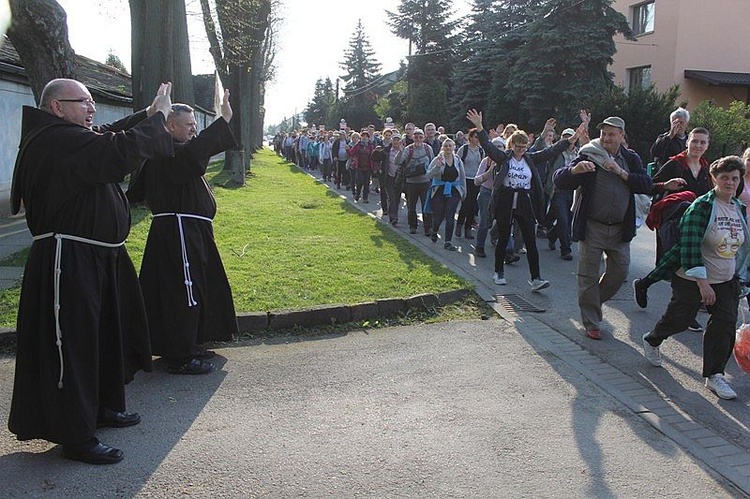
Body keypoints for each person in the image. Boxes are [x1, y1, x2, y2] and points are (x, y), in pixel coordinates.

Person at [8, 78, 174, 464]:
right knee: (77, 346)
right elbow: (116, 150)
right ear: (57, 107)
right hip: (69, 260)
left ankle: (100, 408)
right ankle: (76, 435)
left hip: (97, 258)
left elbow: (109, 133)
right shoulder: (55, 140)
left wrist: (147, 115)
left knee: (103, 339)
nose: (91, 108)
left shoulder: (66, 135)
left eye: (91, 100)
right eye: (83, 101)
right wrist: (160, 119)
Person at [131, 91, 239, 375]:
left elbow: (199, 151)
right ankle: (179, 356)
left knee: (194, 288)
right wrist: (223, 119)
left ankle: (186, 344)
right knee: (182, 292)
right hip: (178, 232)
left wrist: (221, 122)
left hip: (189, 231)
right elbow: (195, 154)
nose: (194, 128)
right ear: (169, 126)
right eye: (188, 124)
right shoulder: (165, 153)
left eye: (195, 123)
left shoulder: (176, 151)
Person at [641, 156, 750, 401]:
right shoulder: (701, 207)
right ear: (714, 179)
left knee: (723, 325)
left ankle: (715, 375)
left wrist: (742, 277)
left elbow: (742, 248)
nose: (730, 183)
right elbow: (689, 247)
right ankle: (653, 339)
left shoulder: (739, 208)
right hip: (692, 277)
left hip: (726, 279)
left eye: (734, 178)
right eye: (725, 178)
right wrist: (703, 283)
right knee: (680, 319)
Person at [553, 116, 653, 340]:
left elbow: (646, 184)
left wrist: (621, 172)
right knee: (588, 275)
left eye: (611, 134)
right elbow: (559, 180)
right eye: (603, 134)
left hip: (620, 228)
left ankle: (591, 301)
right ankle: (591, 321)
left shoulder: (630, 158)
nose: (606, 138)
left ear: (621, 136)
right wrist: (575, 171)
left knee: (620, 272)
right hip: (592, 227)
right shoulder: (589, 154)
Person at [467, 109, 585, 291]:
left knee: (530, 240)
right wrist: (480, 127)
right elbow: (489, 146)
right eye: (518, 147)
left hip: (524, 202)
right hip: (506, 201)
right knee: (504, 237)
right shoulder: (503, 157)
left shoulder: (530, 158)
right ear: (511, 144)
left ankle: (536, 278)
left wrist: (572, 138)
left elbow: (551, 151)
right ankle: (498, 272)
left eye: (524, 147)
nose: (521, 150)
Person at [633, 128, 713, 334]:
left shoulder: (706, 168)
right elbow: (648, 186)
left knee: (682, 263)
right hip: (672, 221)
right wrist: (666, 185)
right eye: (695, 141)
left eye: (703, 143)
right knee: (681, 267)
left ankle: (644, 284)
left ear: (707, 146)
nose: (698, 146)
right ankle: (686, 313)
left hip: (695, 223)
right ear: (687, 142)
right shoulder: (675, 164)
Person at [546, 127, 589, 260]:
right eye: (564, 137)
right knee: (563, 220)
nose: (568, 139)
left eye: (570, 136)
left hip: (574, 192)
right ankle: (565, 250)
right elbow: (546, 149)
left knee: (567, 220)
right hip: (558, 191)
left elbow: (590, 149)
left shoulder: (579, 153)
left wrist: (585, 126)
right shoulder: (557, 153)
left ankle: (552, 236)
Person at [426, 138, 467, 251]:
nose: (448, 148)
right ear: (442, 148)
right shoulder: (437, 159)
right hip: (439, 189)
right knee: (438, 216)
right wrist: (437, 166)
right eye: (446, 146)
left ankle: (448, 242)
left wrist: (464, 192)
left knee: (450, 216)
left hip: (454, 190)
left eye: (450, 146)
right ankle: (434, 231)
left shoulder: (458, 160)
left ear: (454, 147)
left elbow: (462, 177)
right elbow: (428, 175)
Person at [395, 127, 434, 235]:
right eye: (416, 137)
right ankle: (413, 226)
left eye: (420, 137)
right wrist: (400, 151)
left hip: (425, 182)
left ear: (424, 137)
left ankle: (428, 227)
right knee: (411, 206)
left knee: (426, 205)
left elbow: (432, 163)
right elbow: (397, 162)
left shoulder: (428, 149)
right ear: (413, 137)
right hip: (411, 182)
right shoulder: (408, 149)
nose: (418, 139)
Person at [473, 137, 505, 258]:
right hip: (486, 192)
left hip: (502, 194)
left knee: (504, 221)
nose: (497, 149)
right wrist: (490, 170)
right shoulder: (486, 161)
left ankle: (508, 250)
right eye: (495, 146)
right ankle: (479, 246)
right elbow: (476, 181)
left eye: (500, 146)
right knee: (485, 221)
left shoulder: (507, 161)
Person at [455, 129, 485, 239]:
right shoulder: (464, 149)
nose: (477, 139)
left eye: (479, 137)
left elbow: (483, 165)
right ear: (470, 137)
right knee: (466, 203)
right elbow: (457, 162)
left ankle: (468, 228)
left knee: (473, 205)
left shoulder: (481, 151)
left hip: (476, 180)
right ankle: (459, 225)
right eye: (476, 137)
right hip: (465, 179)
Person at [348, 130, 377, 203]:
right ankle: (357, 194)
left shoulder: (371, 146)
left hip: (368, 167)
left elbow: (373, 157)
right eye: (363, 137)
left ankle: (365, 198)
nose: (364, 138)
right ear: (361, 138)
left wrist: (375, 167)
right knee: (360, 181)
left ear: (368, 138)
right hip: (359, 167)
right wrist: (347, 149)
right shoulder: (358, 145)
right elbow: (352, 153)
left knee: (366, 183)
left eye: (366, 137)